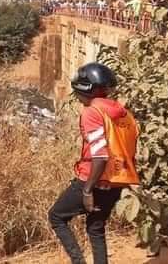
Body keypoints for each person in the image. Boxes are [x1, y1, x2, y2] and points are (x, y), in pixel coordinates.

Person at [49, 63, 139, 264]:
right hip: (117, 181)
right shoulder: (124, 114)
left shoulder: (92, 112)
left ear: (85, 89)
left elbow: (100, 155)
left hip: (94, 180)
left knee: (56, 217)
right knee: (95, 228)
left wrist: (88, 190)